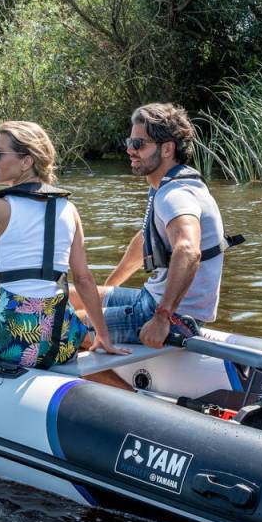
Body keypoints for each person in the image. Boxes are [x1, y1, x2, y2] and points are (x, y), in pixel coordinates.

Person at [0, 121, 125, 369]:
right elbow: (83, 278)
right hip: (61, 343)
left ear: (26, 162)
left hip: (13, 342)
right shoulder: (69, 209)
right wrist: (103, 335)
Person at [89, 102, 230, 349]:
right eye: (129, 142)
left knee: (63, 326)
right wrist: (108, 287)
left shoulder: (175, 194)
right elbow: (145, 240)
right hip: (151, 298)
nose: (130, 150)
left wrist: (162, 317)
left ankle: (115, 374)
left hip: (173, 317)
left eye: (138, 144)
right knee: (73, 296)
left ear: (167, 149)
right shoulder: (166, 185)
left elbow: (188, 250)